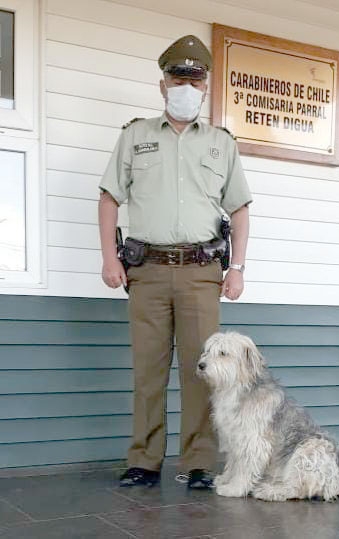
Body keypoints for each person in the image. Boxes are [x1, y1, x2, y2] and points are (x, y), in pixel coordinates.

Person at [98, 35, 252, 489]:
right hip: (145, 272)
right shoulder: (135, 136)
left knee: (201, 372)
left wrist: (238, 269)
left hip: (202, 273)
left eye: (194, 78)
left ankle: (199, 463)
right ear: (162, 84)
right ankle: (144, 460)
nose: (185, 85)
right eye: (177, 77)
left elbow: (239, 209)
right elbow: (109, 199)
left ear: (205, 87)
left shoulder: (222, 144)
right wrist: (110, 258)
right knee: (148, 370)